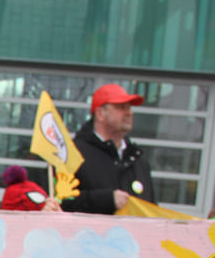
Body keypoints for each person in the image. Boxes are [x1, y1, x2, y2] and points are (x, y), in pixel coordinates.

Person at [64, 83, 154, 215]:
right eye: (121, 107)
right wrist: (106, 200)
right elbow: (61, 202)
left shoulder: (138, 160)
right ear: (100, 114)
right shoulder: (73, 154)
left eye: (129, 108)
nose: (129, 113)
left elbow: (151, 208)